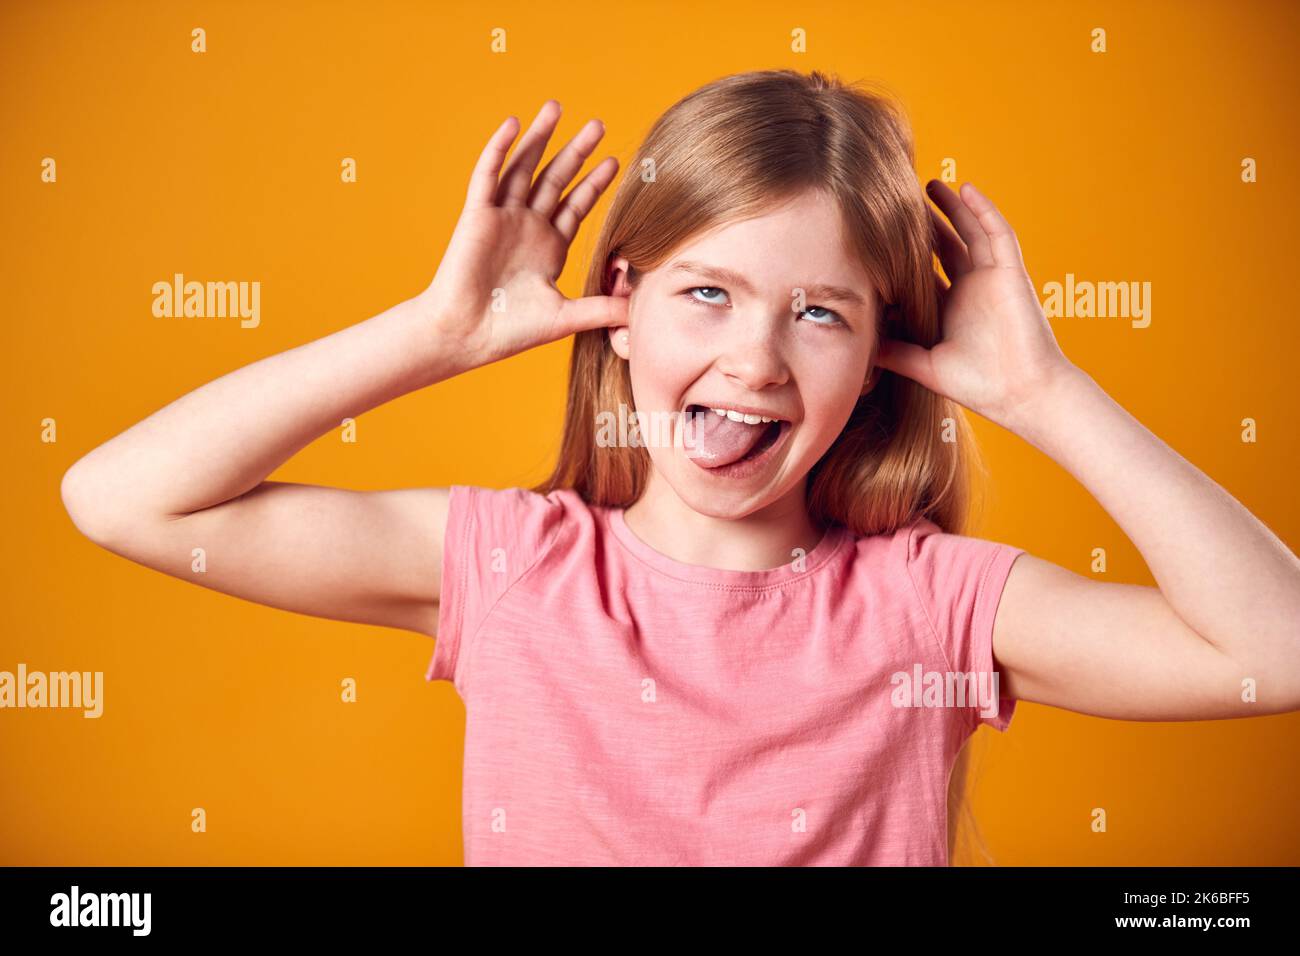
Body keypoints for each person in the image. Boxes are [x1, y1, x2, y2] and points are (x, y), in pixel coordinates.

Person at [60, 69, 1300, 866]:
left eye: (820, 313)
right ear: (620, 304)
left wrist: (1046, 394)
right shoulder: (512, 571)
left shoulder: (930, 606)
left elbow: (1277, 651)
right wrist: (432, 336)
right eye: (707, 292)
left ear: (883, 358)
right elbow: (120, 497)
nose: (754, 356)